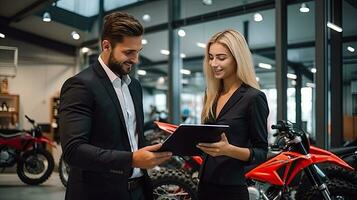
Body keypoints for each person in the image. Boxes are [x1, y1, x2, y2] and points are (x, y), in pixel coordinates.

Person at [59, 12, 172, 200]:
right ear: (106, 46)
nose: (135, 59)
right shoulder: (80, 85)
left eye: (138, 52)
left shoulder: (134, 86)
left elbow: (130, 138)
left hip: (138, 191)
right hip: (98, 193)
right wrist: (131, 159)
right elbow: (74, 150)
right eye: (128, 52)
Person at [196, 29, 269, 200]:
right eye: (211, 57)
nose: (214, 63)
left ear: (238, 59)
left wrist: (229, 151)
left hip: (231, 189)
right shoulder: (211, 94)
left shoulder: (254, 98)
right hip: (204, 185)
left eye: (221, 58)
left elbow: (261, 152)